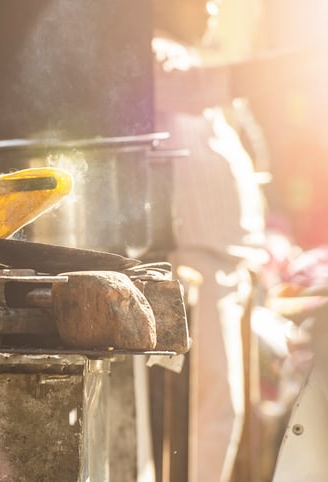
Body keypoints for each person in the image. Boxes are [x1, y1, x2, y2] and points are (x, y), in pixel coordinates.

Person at [152, 1, 268, 481]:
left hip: (228, 264)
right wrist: (273, 77)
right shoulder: (158, 53)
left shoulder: (191, 57)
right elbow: (187, 86)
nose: (212, 10)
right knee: (210, 412)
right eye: (199, 1)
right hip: (193, 263)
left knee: (224, 410)